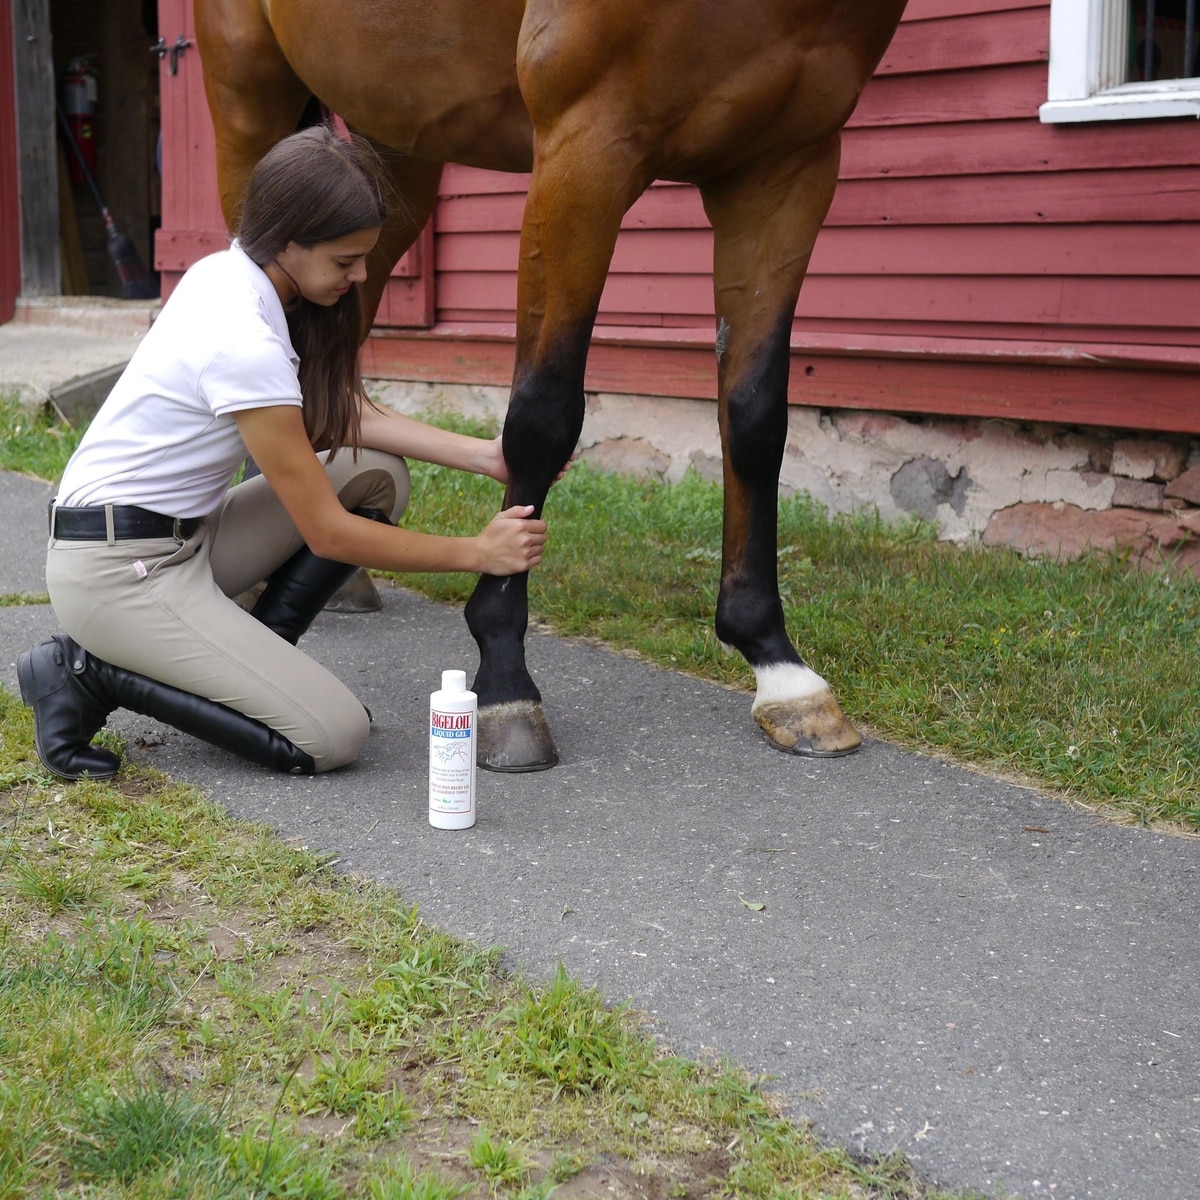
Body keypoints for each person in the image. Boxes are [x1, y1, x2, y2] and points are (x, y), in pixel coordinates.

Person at [17, 125, 547, 780]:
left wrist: (486, 456)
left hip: (184, 541)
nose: (359, 276)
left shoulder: (231, 273)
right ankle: (85, 672)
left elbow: (337, 413)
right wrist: (477, 552)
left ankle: (260, 663)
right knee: (335, 735)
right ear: (288, 240)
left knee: (372, 473)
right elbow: (328, 532)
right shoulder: (241, 335)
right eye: (345, 261)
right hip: (117, 573)